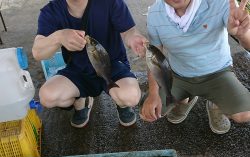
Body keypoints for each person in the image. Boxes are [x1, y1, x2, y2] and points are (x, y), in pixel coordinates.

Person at [141, 0, 250, 134]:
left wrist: (242, 34)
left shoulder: (220, 3)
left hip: (218, 74)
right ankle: (185, 100)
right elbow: (154, 57)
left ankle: (216, 104)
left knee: (244, 113)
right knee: (148, 111)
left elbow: (248, 45)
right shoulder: (154, 13)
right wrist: (153, 94)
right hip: (178, 75)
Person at [32, 0, 147, 128]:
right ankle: (82, 99)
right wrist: (59, 37)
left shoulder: (111, 2)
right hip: (78, 70)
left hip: (111, 65)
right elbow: (38, 52)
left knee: (130, 96)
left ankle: (122, 104)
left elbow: (128, 31)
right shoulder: (51, 11)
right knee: (47, 96)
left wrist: (134, 38)